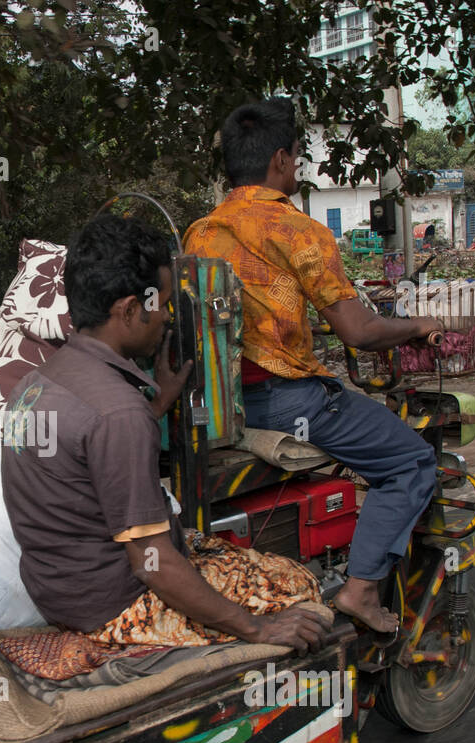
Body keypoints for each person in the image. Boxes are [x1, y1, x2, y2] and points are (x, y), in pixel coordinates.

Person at [0, 215, 333, 656]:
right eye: (162, 304)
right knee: (298, 583)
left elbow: (87, 456)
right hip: (115, 606)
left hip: (59, 588)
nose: (167, 317)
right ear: (130, 310)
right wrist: (257, 628)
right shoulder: (118, 411)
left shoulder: (36, 383)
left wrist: (156, 404)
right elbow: (151, 565)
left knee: (214, 549)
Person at [183, 98, 440, 632]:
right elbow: (360, 331)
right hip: (287, 402)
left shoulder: (200, 232)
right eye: (297, 158)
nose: (297, 168)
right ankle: (362, 590)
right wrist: (417, 326)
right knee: (411, 462)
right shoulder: (299, 230)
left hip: (219, 406)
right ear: (280, 159)